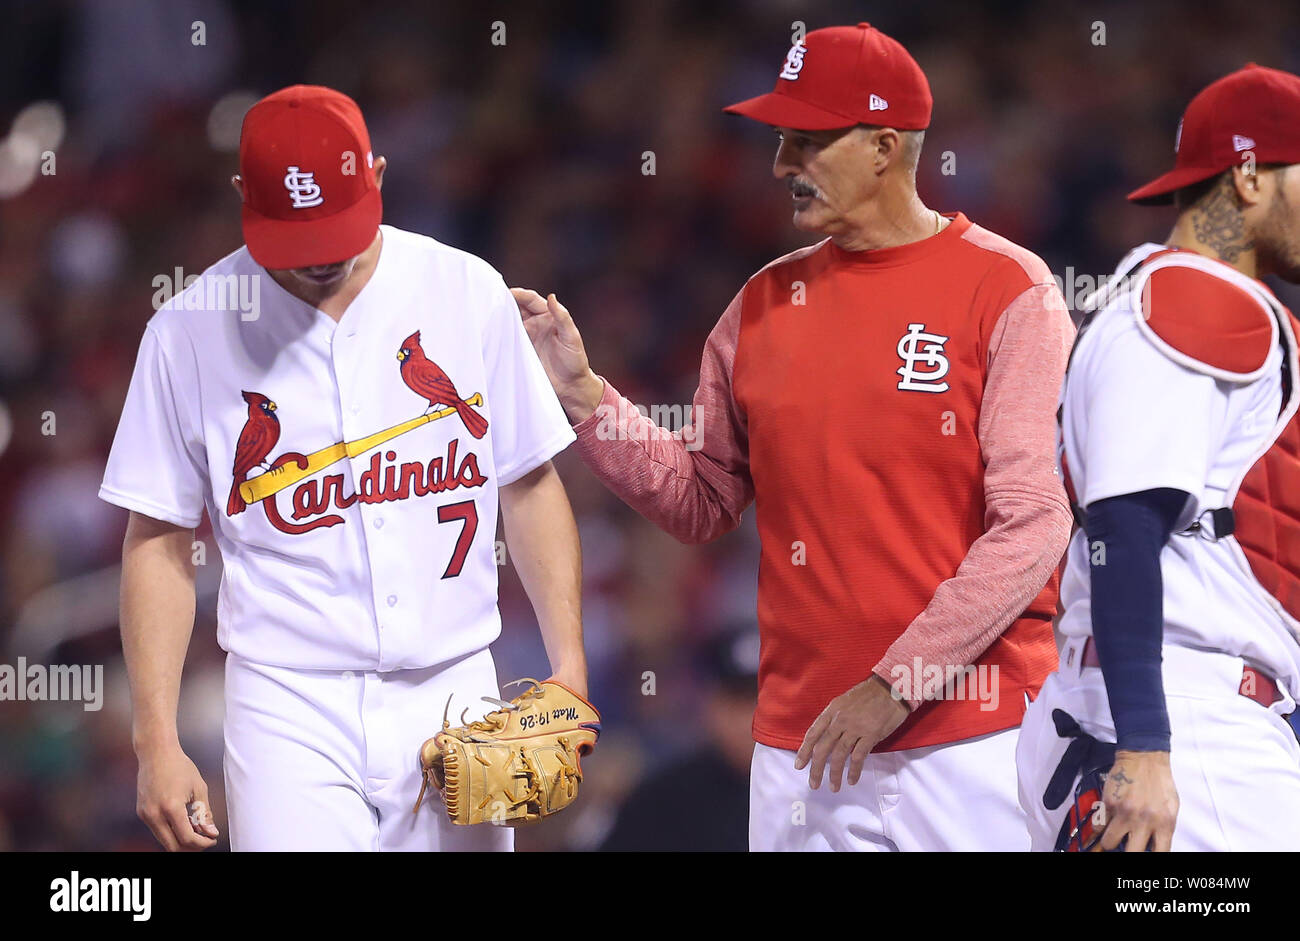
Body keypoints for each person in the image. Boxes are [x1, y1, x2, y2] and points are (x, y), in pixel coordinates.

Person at [512, 23, 1074, 851]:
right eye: (781, 140)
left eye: (808, 142)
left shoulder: (1008, 288)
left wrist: (894, 682)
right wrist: (583, 394)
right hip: (800, 745)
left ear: (885, 146)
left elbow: (1032, 523)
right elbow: (702, 500)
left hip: (975, 738)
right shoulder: (763, 302)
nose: (781, 165)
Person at [99, 85, 588, 852]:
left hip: (454, 682)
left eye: (336, 227)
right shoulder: (187, 330)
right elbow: (156, 536)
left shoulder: (464, 290)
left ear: (379, 175)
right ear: (241, 197)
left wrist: (569, 665)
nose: (323, 256)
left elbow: (527, 480)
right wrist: (155, 738)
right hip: (287, 700)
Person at [1017, 64, 1300, 852]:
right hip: (1179, 724)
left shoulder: (1181, 302)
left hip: (1167, 718)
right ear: (1249, 175)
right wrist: (1146, 744)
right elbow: (1123, 525)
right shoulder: (1196, 302)